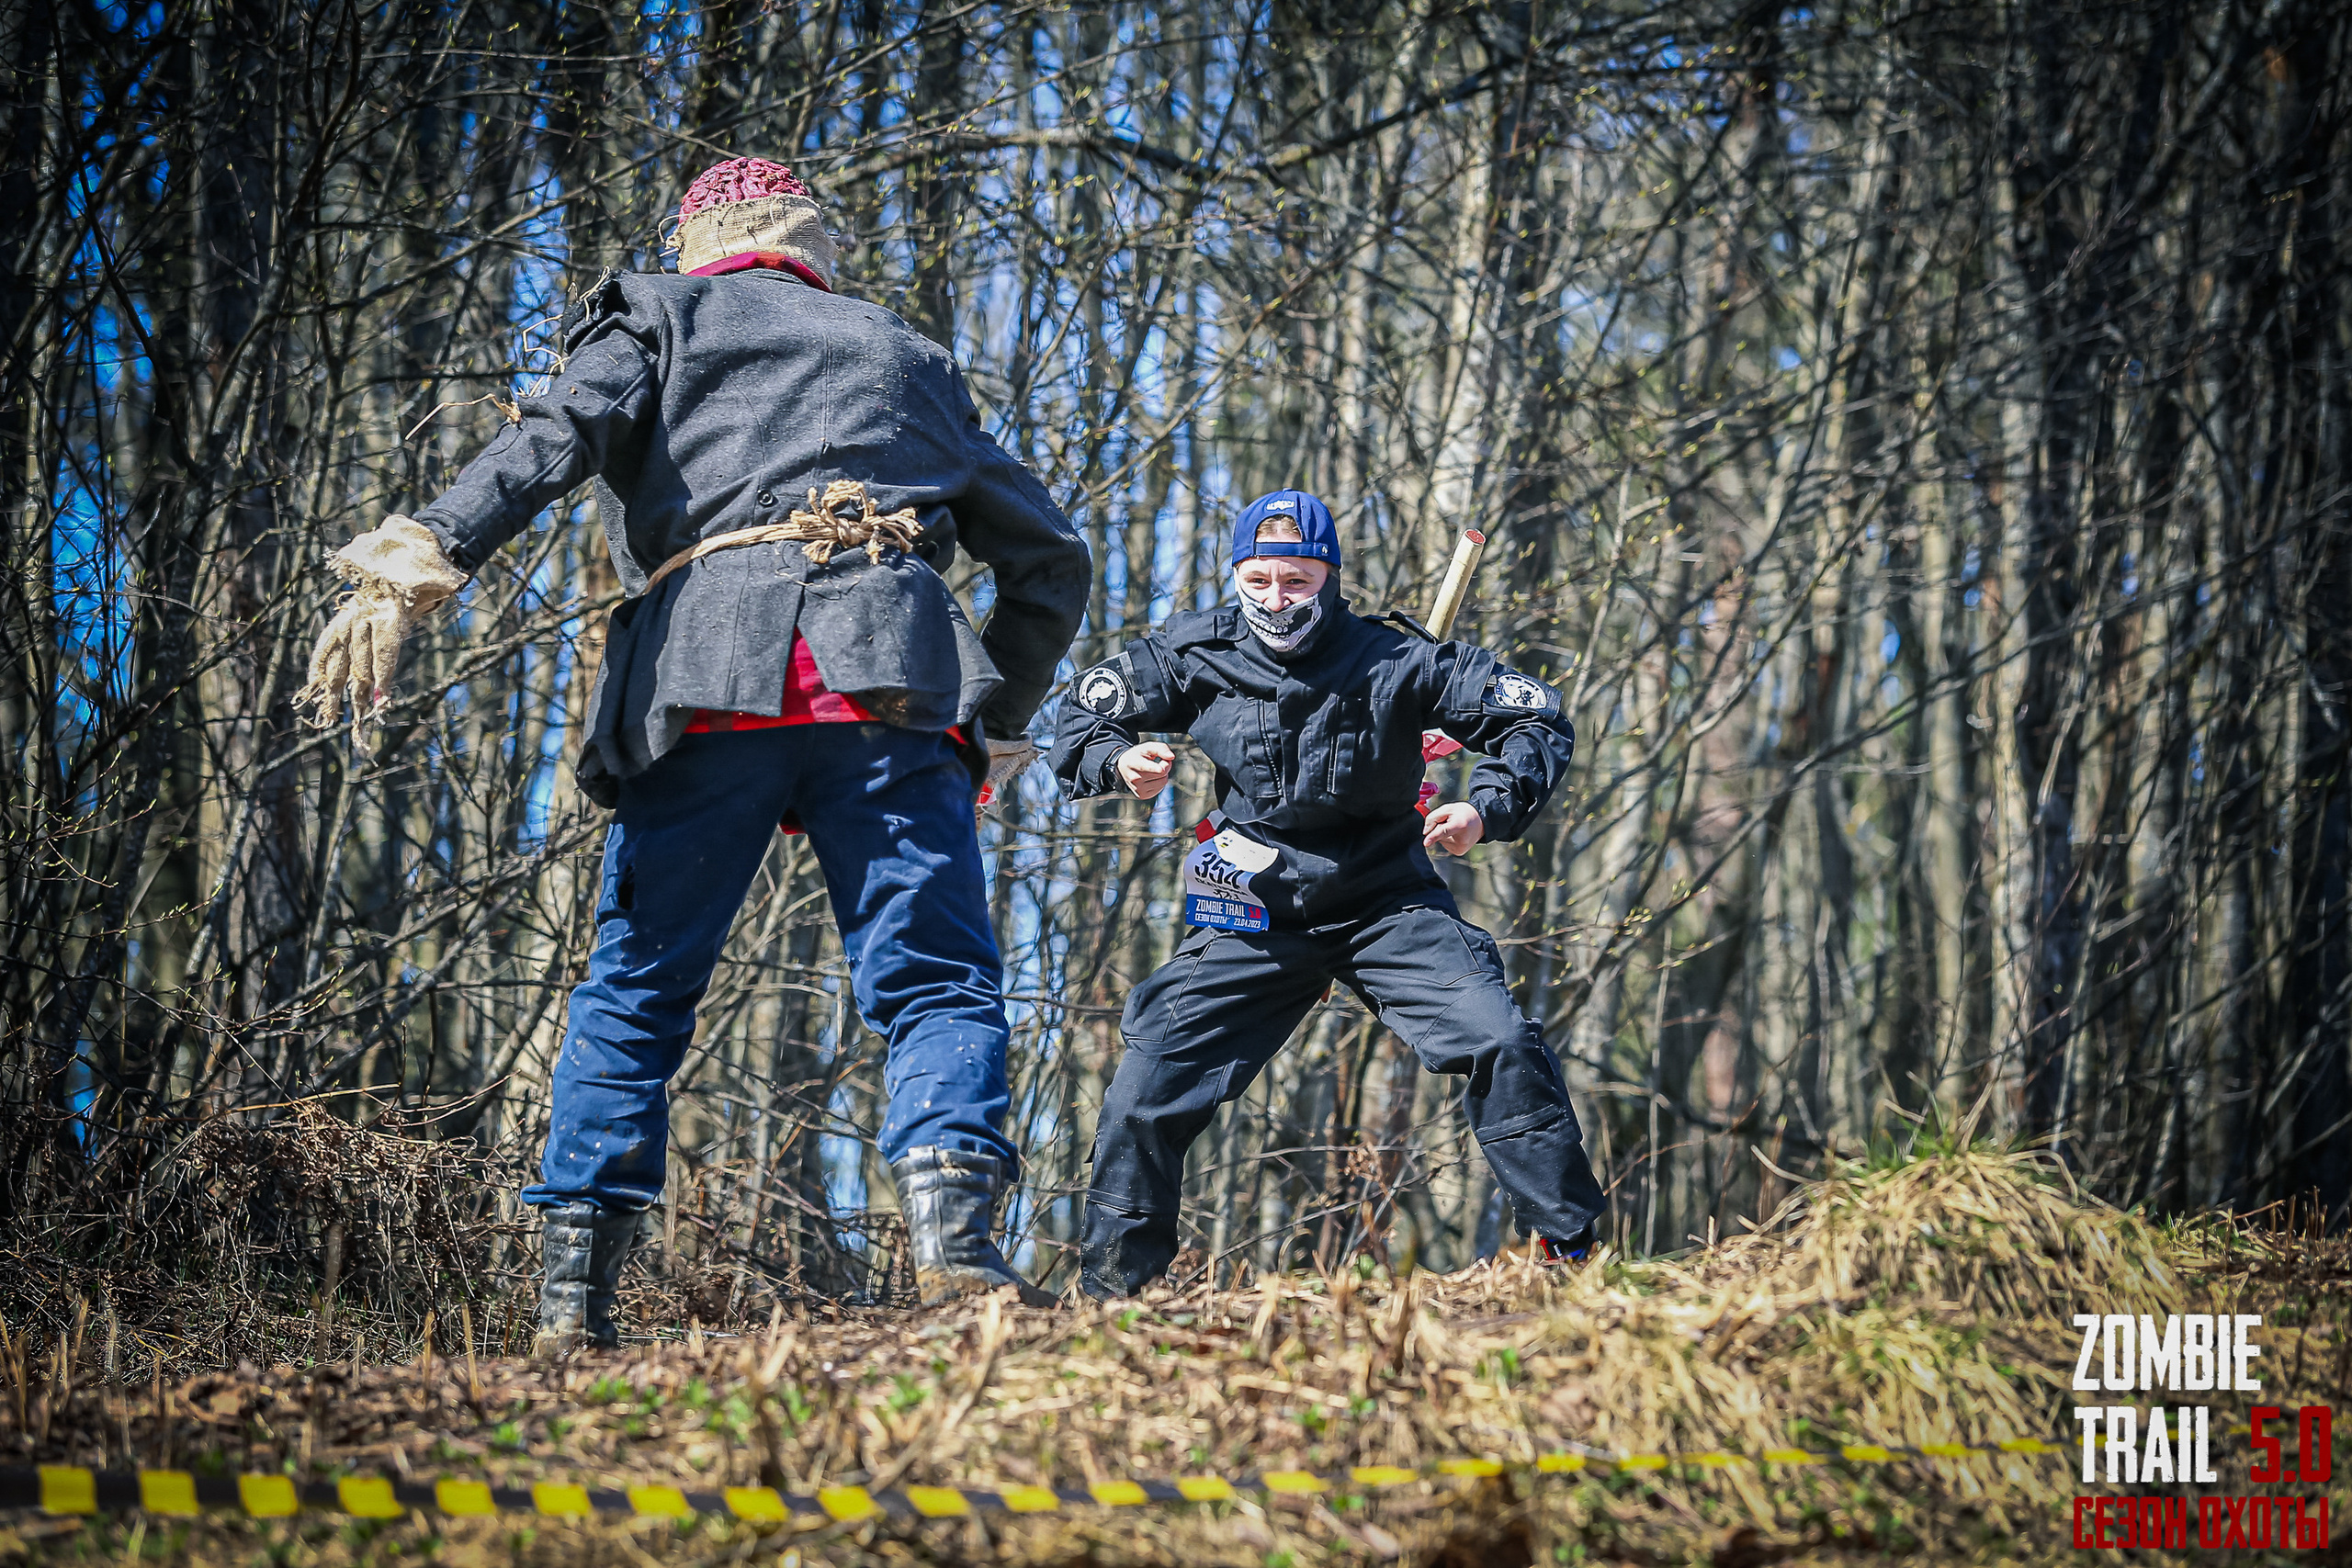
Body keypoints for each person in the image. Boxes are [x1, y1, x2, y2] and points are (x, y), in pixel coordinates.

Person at [299, 157, 1091, 1348]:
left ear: (701, 238)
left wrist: (431, 550)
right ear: (813, 245)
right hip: (893, 692)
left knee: (636, 989)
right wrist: (995, 720)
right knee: (937, 981)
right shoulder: (902, 352)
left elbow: (554, 434)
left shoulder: (661, 313)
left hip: (706, 688)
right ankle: (958, 1254)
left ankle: (575, 1305)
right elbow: (1052, 564)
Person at [1047, 489, 1605, 1297]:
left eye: (1298, 582)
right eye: (1262, 580)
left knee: (1501, 1040)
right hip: (1252, 909)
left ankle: (1572, 1254)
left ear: (1330, 578)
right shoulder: (1189, 652)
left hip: (1387, 899)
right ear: (1239, 574)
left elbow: (1535, 718)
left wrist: (1484, 810)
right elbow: (1083, 710)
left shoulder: (1399, 659)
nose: (1277, 600)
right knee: (1147, 1081)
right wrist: (1115, 761)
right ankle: (1110, 1295)